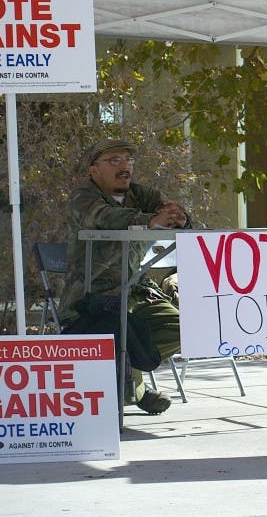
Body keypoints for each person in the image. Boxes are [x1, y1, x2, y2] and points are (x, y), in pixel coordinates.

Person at [64, 138, 193, 415]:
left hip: (137, 289)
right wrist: (149, 221)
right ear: (94, 170)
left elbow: (168, 211)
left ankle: (130, 378)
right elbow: (103, 217)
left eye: (129, 161)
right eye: (114, 161)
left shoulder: (142, 194)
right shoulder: (83, 197)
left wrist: (180, 219)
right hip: (93, 296)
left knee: (188, 328)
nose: (125, 167)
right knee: (119, 330)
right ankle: (135, 390)